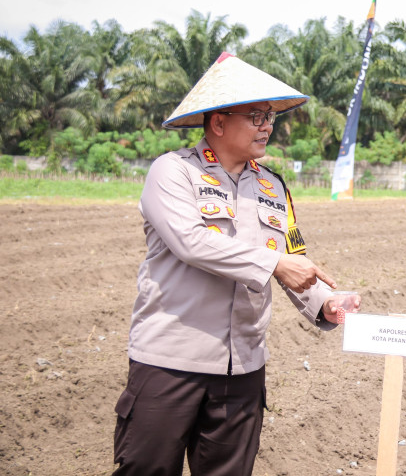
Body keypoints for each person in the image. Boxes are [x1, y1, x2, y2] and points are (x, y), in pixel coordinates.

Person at [112, 52, 360, 475]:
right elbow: (192, 243)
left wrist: (324, 302)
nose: (267, 125)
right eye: (256, 115)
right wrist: (275, 264)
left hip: (243, 367)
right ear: (218, 122)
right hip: (171, 362)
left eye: (270, 116)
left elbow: (291, 256)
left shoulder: (272, 186)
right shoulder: (173, 173)